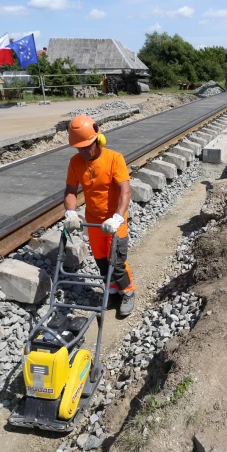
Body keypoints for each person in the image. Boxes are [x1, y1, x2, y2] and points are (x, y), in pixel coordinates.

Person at [63, 115, 136, 317]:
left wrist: (118, 217)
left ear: (98, 139)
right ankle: (112, 292)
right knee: (101, 261)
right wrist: (70, 212)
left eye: (87, 146)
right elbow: (70, 190)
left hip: (115, 220)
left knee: (117, 262)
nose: (84, 151)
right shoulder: (75, 162)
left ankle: (128, 292)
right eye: (79, 148)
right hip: (94, 221)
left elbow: (125, 190)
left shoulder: (114, 158)